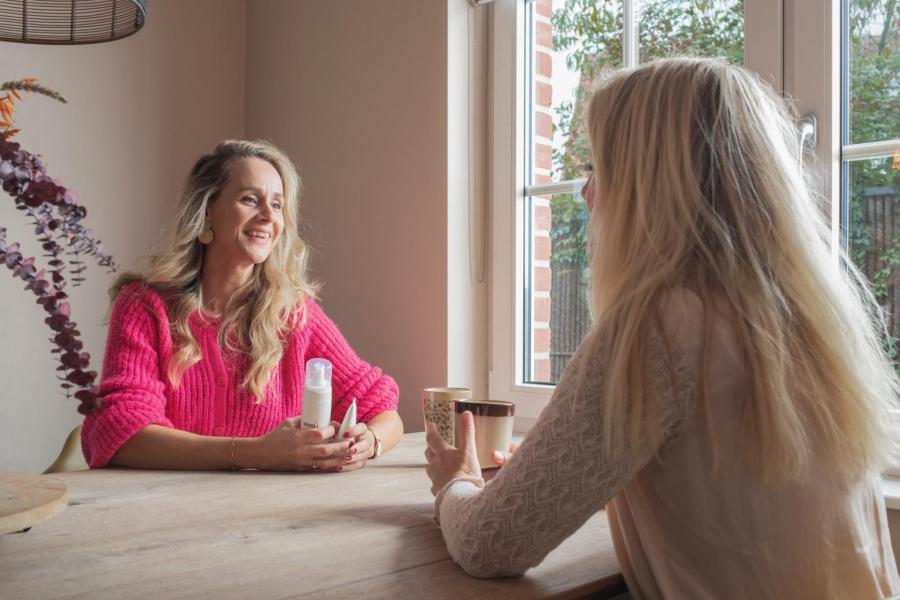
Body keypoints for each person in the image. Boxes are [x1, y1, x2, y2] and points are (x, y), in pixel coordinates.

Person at [425, 58, 900, 599]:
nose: (586, 193)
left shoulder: (660, 327)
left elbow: (490, 544)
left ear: (648, 185)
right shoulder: (808, 321)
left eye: (598, 169)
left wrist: (455, 481)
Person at [82, 139, 403, 472]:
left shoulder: (293, 313)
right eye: (250, 199)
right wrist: (255, 453)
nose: (268, 216)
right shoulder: (146, 307)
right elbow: (120, 433)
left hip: (264, 515)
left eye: (277, 205)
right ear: (208, 211)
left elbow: (381, 407)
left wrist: (372, 443)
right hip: (162, 512)